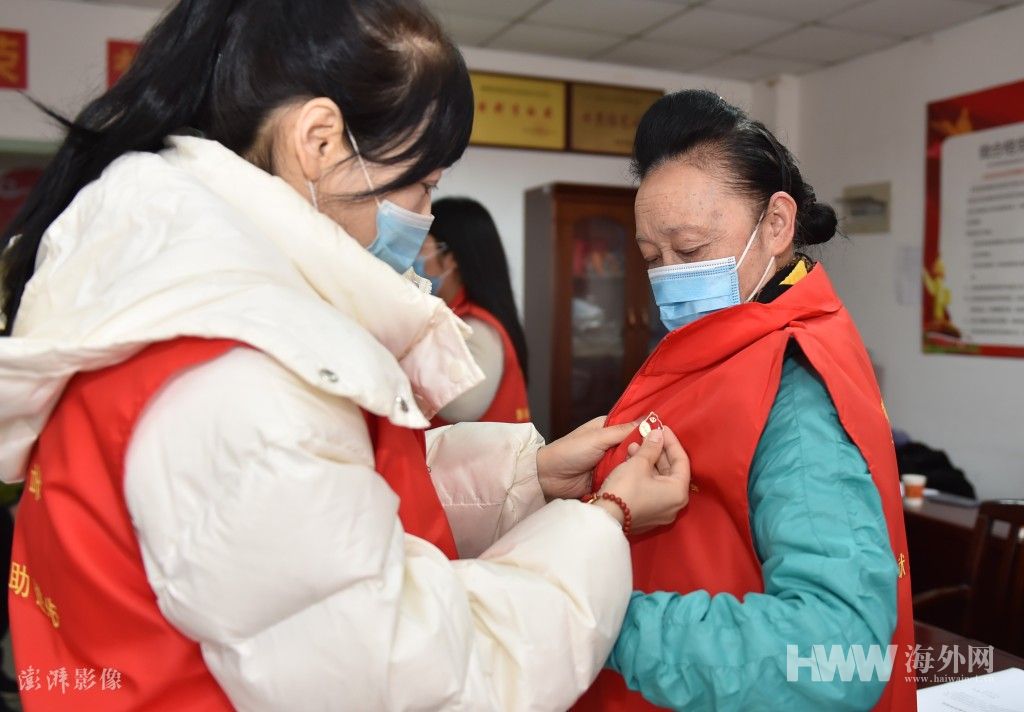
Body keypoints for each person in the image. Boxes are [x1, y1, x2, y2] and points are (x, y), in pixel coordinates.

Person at [0, 2, 691, 710]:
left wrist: (529, 477)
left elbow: (329, 508)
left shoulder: (177, 304)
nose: (423, 216)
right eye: (423, 183)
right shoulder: (239, 378)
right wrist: (603, 521)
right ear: (320, 141)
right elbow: (415, 682)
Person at [574, 90, 916, 711]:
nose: (669, 275)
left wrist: (597, 619)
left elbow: (837, 651)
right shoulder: (725, 342)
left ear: (777, 225)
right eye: (652, 258)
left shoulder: (793, 385)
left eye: (691, 249)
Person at [414, 197, 530, 425]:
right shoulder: (455, 315)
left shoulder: (476, 328)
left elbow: (461, 406)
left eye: (421, 248)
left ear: (451, 259)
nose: (414, 258)